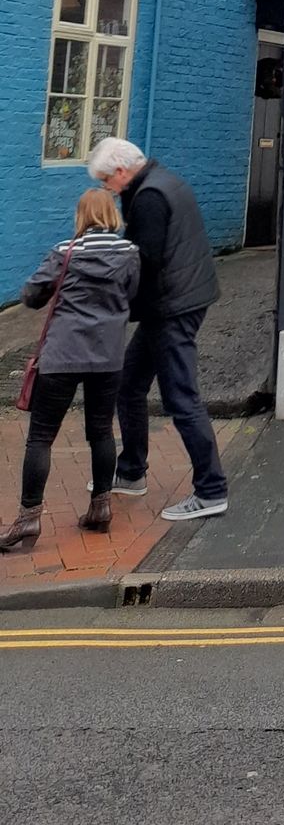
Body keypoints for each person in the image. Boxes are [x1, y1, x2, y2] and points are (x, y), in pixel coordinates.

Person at [86, 137, 228, 521]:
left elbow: (142, 260)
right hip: (179, 300)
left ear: (120, 172)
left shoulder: (147, 197)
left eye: (105, 182)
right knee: (129, 384)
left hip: (171, 307)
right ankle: (131, 471)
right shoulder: (165, 180)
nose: (107, 190)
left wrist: (113, 303)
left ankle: (211, 490)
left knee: (181, 398)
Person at [0, 189, 141, 552]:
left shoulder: (65, 252)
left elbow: (32, 296)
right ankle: (101, 506)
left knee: (41, 437)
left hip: (62, 355)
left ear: (82, 216)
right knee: (101, 431)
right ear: (112, 215)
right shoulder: (129, 253)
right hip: (108, 356)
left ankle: (29, 516)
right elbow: (134, 297)